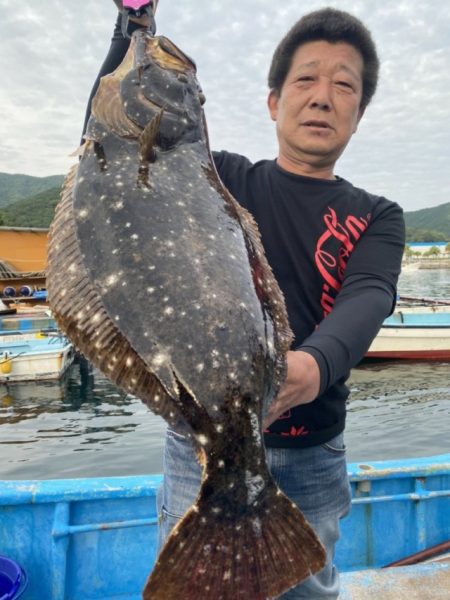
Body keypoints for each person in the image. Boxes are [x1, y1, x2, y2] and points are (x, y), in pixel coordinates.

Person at [85, 4, 405, 598]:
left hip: (310, 456)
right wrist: (132, 27)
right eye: (306, 79)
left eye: (344, 86)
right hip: (198, 450)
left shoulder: (378, 215)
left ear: (358, 115)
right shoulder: (215, 175)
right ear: (273, 101)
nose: (322, 97)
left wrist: (309, 368)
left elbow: (368, 298)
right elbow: (111, 150)